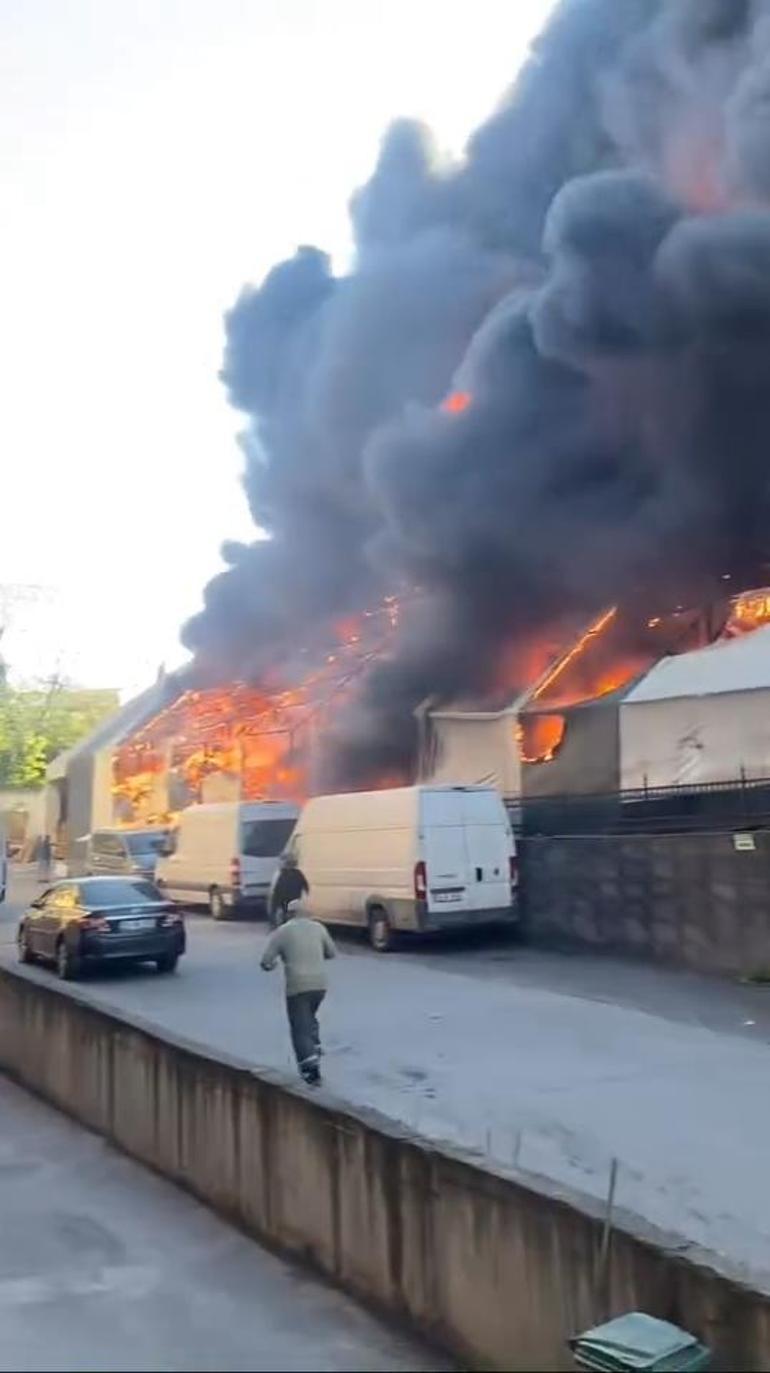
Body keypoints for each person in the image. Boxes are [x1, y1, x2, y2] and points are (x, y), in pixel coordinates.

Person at [260, 900, 335, 1085]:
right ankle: (315, 1044)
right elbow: (331, 952)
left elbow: (266, 961)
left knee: (299, 1028)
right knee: (309, 1016)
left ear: (289, 914)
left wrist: (272, 965)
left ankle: (311, 1069)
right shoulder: (318, 928)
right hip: (319, 986)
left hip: (297, 987)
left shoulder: (283, 931)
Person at [267, 852, 309, 928]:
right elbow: (305, 885)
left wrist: (274, 905)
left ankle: (281, 925)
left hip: (284, 899)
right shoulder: (298, 873)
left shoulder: (282, 873)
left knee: (285, 915)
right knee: (289, 915)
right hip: (293, 899)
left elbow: (276, 889)